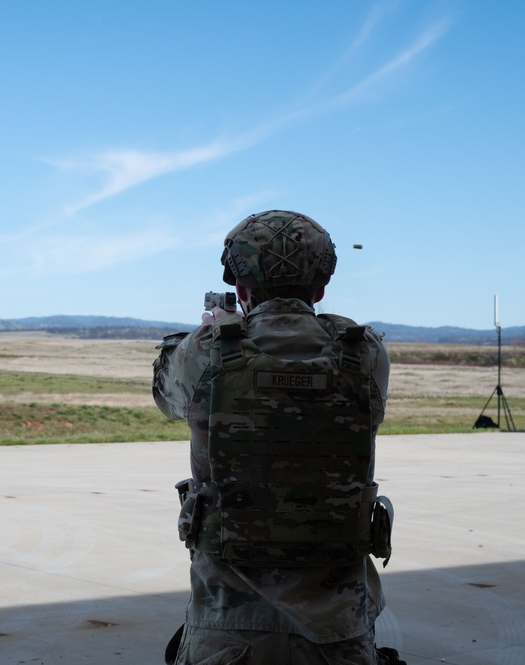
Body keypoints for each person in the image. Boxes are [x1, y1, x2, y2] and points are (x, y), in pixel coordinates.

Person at [153, 210, 401, 665]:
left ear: (242, 287)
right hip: (340, 635)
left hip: (226, 631)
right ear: (320, 287)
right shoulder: (364, 354)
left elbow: (166, 400)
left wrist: (211, 328)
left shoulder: (205, 352)